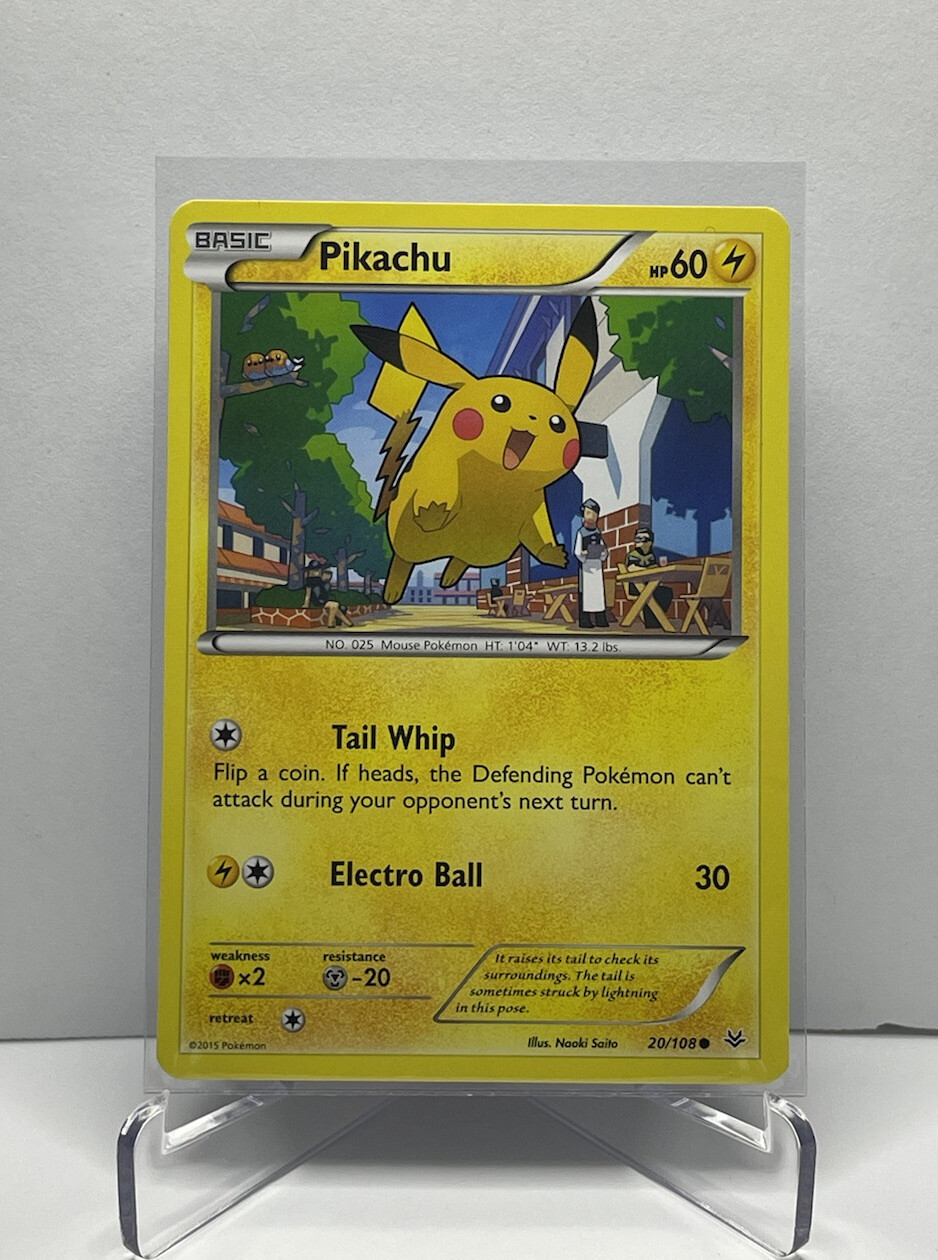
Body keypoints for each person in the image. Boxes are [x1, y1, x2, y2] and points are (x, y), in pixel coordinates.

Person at [625, 527, 673, 629]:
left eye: (644, 539)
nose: (640, 542)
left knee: (666, 592)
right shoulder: (633, 555)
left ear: (650, 542)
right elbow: (632, 568)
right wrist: (649, 570)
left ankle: (655, 621)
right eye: (638, 539)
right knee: (653, 592)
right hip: (636, 585)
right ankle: (653, 622)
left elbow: (654, 568)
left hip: (649, 584)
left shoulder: (651, 556)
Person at [574, 499, 609, 628]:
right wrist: (583, 553)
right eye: (589, 513)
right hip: (586, 567)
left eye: (594, 514)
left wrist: (603, 553)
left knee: (598, 593)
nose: (591, 516)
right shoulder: (581, 532)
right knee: (586, 594)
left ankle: (601, 619)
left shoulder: (598, 532)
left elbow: (603, 549)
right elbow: (577, 551)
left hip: (597, 566)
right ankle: (585, 621)